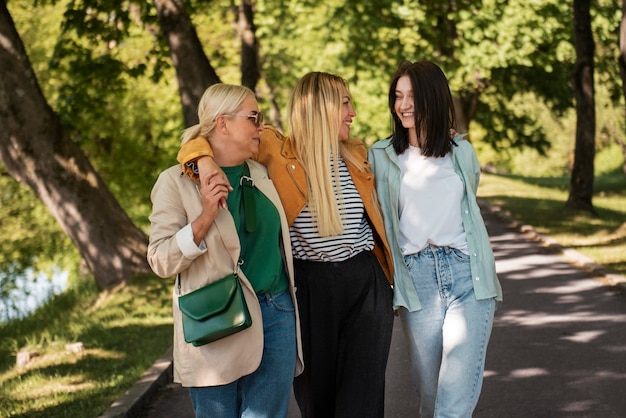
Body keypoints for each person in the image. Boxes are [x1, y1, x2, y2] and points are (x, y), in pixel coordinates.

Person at [177, 72, 395, 418]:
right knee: (318, 401)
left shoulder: (356, 154)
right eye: (345, 103)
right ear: (320, 108)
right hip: (310, 288)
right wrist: (203, 163)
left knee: (365, 400)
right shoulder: (275, 150)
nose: (352, 113)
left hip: (365, 283)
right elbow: (201, 139)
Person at [147, 83, 304, 418]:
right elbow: (160, 259)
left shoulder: (263, 173)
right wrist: (204, 217)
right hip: (216, 320)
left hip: (277, 314)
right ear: (222, 123)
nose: (260, 126)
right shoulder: (175, 182)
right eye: (253, 117)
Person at [368, 60, 503, 418]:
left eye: (412, 95)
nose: (403, 105)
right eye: (398, 96)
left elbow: (468, 210)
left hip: (467, 276)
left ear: (434, 96)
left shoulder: (462, 153)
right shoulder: (381, 156)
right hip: (417, 280)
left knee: (453, 402)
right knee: (431, 399)